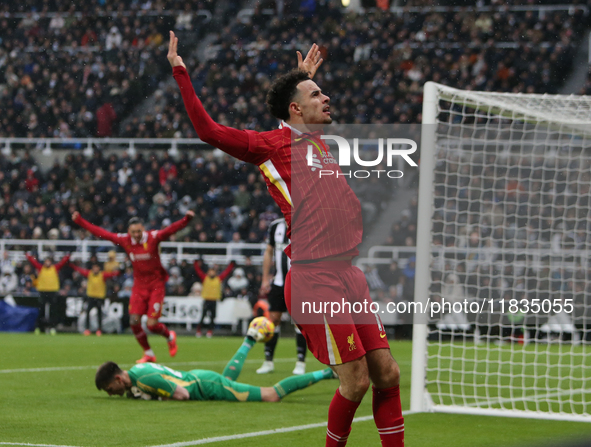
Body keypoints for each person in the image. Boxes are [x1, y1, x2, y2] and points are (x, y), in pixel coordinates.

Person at [169, 32, 403, 446]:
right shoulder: (269, 146)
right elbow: (207, 130)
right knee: (356, 382)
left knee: (387, 373)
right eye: (317, 94)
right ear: (296, 108)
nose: (326, 98)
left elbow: (295, 111)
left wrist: (302, 77)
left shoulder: (316, 141)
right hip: (315, 278)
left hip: (349, 276)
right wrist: (181, 71)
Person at [72, 210, 194, 363]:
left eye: (139, 231)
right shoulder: (125, 240)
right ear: (129, 231)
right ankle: (149, 353)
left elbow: (170, 230)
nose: (136, 234)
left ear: (143, 229)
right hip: (139, 286)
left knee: (152, 325)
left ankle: (170, 336)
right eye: (133, 232)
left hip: (156, 285)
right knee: (134, 322)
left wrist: (186, 219)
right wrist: (80, 221)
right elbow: (102, 233)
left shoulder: (153, 237)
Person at [95, 330, 335, 402]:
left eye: (110, 389)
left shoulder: (143, 379)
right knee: (227, 381)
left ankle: (327, 372)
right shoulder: (139, 372)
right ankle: (249, 340)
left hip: (204, 386)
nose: (112, 394)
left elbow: (182, 395)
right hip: (202, 378)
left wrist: (157, 398)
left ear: (117, 379)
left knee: (271, 395)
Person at [258, 217, 307, 376]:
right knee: (273, 320)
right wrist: (265, 278)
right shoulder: (275, 226)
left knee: (299, 322)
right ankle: (268, 361)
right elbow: (269, 252)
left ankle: (300, 362)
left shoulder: (305, 223)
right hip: (279, 282)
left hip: (299, 283)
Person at [69, 261, 121, 336]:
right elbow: (80, 270)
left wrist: (119, 271)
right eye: (94, 267)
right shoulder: (89, 273)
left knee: (99, 314)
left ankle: (99, 329)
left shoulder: (102, 275)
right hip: (91, 296)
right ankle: (87, 329)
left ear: (98, 268)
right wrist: (71, 265)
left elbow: (112, 274)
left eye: (96, 267)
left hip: (99, 297)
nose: (95, 269)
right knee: (88, 312)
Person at [25, 252, 70, 335]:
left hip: (52, 291)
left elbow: (62, 263)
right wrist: (28, 256)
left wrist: (67, 256)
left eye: (49, 261)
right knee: (41, 310)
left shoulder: (54, 268)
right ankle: (39, 327)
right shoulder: (41, 268)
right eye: (46, 261)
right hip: (43, 291)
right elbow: (34, 263)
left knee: (52, 311)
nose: (47, 263)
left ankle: (52, 327)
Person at [193, 258, 235, 338]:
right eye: (210, 271)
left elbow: (226, 272)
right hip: (207, 300)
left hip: (214, 300)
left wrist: (231, 265)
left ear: (215, 272)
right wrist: (195, 263)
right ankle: (199, 331)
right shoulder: (205, 278)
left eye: (213, 271)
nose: (211, 273)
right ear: (208, 272)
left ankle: (209, 331)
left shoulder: (218, 279)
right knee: (203, 316)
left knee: (212, 317)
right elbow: (198, 271)